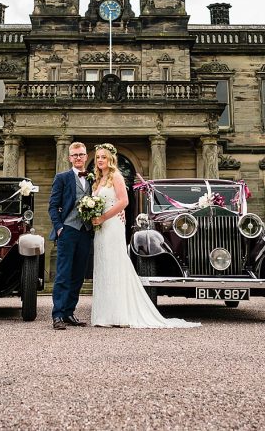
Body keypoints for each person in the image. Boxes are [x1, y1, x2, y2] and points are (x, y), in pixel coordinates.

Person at [88, 143, 199, 329]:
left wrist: (104, 217)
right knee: (103, 265)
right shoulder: (98, 180)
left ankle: (120, 314)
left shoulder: (116, 176)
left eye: (103, 157)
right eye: (98, 157)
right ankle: (105, 314)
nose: (100, 160)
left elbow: (124, 201)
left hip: (112, 225)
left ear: (110, 159)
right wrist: (93, 216)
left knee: (115, 264)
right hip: (100, 228)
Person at [48, 141, 94, 330]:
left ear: (85, 156)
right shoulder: (62, 177)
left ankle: (69, 313)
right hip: (68, 230)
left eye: (81, 154)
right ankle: (57, 315)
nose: (78, 158)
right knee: (63, 274)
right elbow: (52, 205)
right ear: (69, 158)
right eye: (74, 155)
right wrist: (59, 228)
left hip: (86, 232)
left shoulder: (92, 178)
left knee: (78, 275)